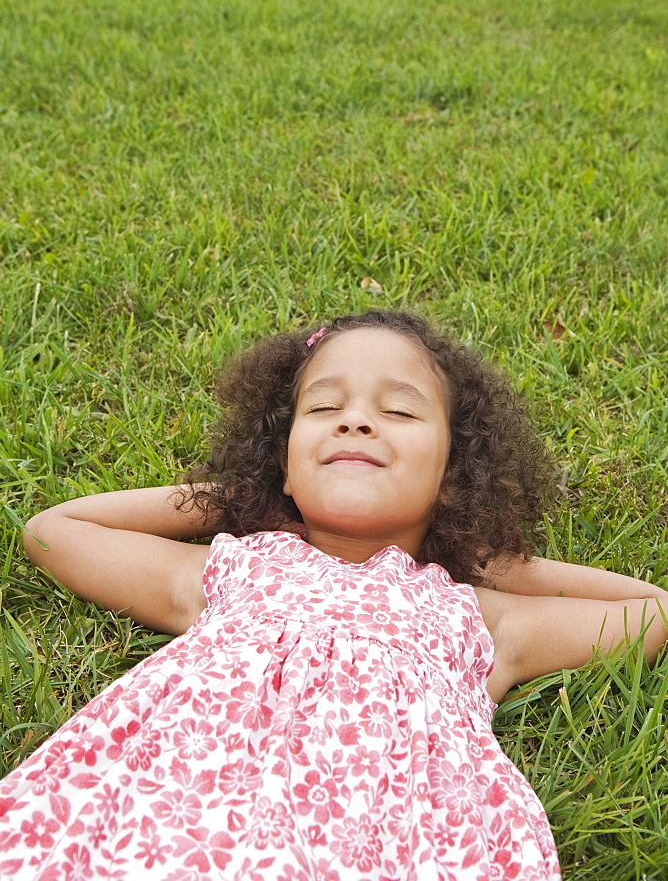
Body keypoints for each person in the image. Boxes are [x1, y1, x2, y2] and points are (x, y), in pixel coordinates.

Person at [1, 308, 666, 881]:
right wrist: (236, 502)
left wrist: (493, 563)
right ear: (285, 463)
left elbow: (650, 612)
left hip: (391, 847)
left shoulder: (479, 615)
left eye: (398, 410)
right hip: (181, 828)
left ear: (453, 479)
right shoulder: (232, 571)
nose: (353, 422)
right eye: (323, 408)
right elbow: (57, 532)